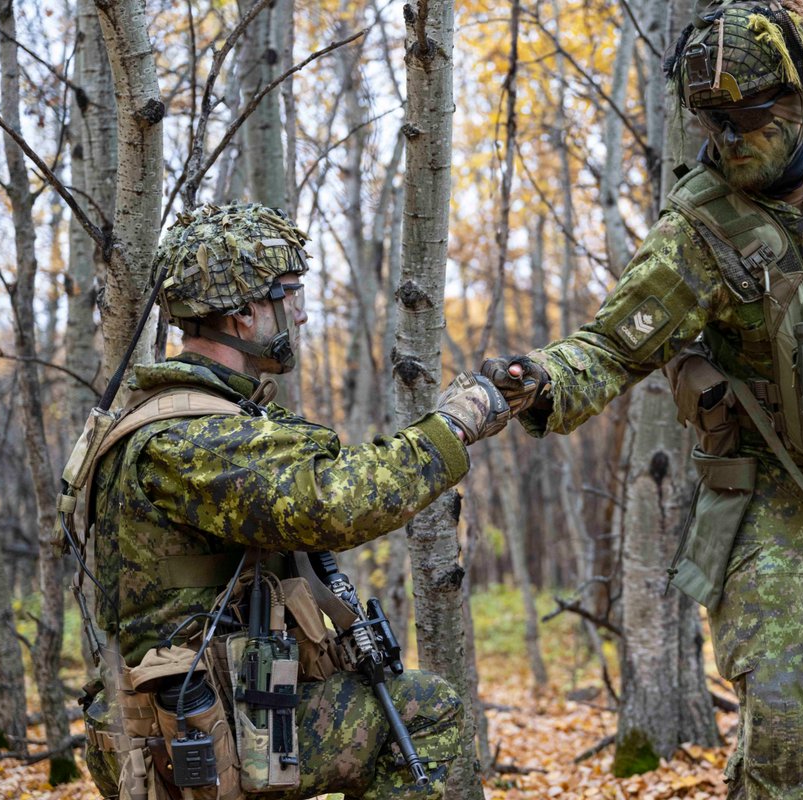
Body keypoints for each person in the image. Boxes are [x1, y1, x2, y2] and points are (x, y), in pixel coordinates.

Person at [479, 2, 803, 797]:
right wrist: (541, 382)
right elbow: (611, 345)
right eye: (712, 119)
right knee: (777, 721)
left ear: (802, 103)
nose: (730, 138)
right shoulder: (698, 227)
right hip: (774, 487)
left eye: (752, 116)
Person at [79, 202, 512, 800]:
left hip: (205, 712)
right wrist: (453, 428)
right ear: (241, 314)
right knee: (425, 710)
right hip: (191, 735)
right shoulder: (193, 439)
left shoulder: (198, 418)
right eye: (288, 293)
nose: (302, 314)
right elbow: (333, 502)